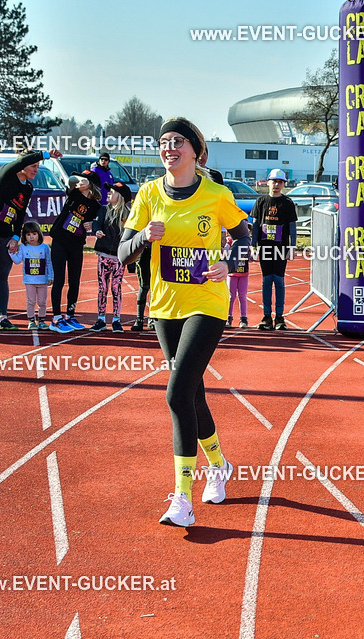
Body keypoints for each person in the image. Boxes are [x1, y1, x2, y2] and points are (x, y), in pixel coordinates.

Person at [117, 117, 250, 527]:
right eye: (163, 142)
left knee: (176, 396)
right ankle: (220, 465)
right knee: (193, 395)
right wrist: (143, 238)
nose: (169, 147)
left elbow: (246, 237)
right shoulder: (148, 194)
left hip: (207, 304)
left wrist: (228, 262)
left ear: (195, 150)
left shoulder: (216, 194)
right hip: (164, 306)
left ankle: (183, 497)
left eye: (177, 141)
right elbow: (122, 253)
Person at [0, 148, 53, 331]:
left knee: (2, 276)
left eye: (38, 166)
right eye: (33, 165)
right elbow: (17, 164)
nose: (36, 170)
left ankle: (3, 318)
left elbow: (20, 214)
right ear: (22, 164)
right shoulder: (5, 174)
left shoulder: (28, 187)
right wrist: (44, 154)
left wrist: (16, 236)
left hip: (5, 234)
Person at [49, 169, 101, 333]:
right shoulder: (73, 193)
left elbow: (98, 222)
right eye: (81, 179)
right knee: (59, 280)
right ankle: (56, 318)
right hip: (59, 240)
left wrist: (92, 224)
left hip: (77, 244)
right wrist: (78, 181)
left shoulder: (95, 206)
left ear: (91, 185)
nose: (81, 181)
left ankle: (70, 315)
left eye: (85, 179)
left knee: (75, 281)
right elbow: (70, 179)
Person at [251, 168, 296, 330]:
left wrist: (292, 246)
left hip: (281, 249)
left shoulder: (288, 203)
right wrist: (253, 246)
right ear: (268, 182)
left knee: (279, 281)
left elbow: (292, 227)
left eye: (280, 182)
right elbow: (255, 225)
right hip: (264, 249)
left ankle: (279, 316)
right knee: (266, 281)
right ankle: (266, 316)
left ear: (283, 184)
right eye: (274, 181)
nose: (276, 185)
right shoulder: (261, 202)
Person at [90, 182, 131, 333]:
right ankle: (101, 319)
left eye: (112, 191)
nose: (108, 193)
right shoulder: (103, 210)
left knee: (116, 287)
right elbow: (96, 224)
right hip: (103, 255)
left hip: (119, 258)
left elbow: (131, 234)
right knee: (103, 287)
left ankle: (116, 320)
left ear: (120, 197)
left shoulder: (127, 214)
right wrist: (97, 231)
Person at [10, 222, 53, 330]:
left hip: (42, 280)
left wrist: (50, 276)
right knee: (31, 301)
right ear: (24, 236)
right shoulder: (24, 247)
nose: (31, 237)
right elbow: (18, 261)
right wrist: (11, 253)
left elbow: (49, 262)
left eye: (34, 234)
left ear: (39, 234)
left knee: (42, 302)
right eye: (28, 235)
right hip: (29, 281)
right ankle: (31, 321)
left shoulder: (45, 248)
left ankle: (42, 321)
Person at [226, 229, 250, 328]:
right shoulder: (229, 241)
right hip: (232, 274)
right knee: (231, 296)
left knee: (242, 296)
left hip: (243, 272)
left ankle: (243, 318)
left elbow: (251, 256)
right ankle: (228, 317)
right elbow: (225, 251)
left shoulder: (247, 242)